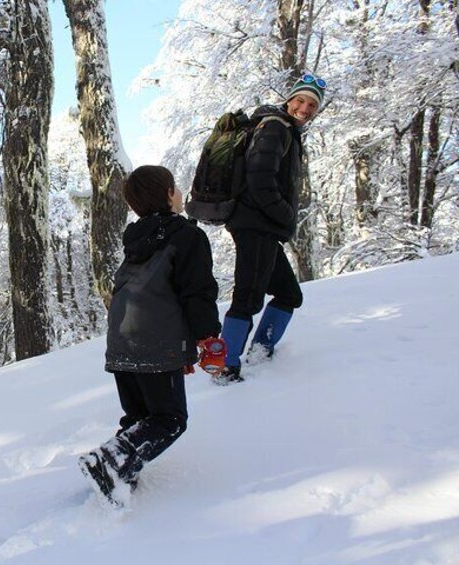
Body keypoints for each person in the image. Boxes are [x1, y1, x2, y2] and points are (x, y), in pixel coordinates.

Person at [78, 165, 221, 507]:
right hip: (154, 341)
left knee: (139, 419)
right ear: (170, 194)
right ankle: (107, 464)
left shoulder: (137, 238)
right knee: (169, 420)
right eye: (176, 187)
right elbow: (196, 291)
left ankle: (116, 479)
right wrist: (208, 337)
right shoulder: (186, 236)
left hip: (122, 341)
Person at [216, 74, 327, 385]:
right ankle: (225, 367)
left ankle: (260, 354)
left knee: (289, 294)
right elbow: (260, 177)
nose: (305, 108)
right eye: (301, 100)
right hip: (256, 224)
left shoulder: (283, 128)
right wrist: (284, 214)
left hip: (260, 225)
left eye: (312, 105)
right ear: (289, 99)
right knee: (247, 298)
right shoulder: (275, 127)